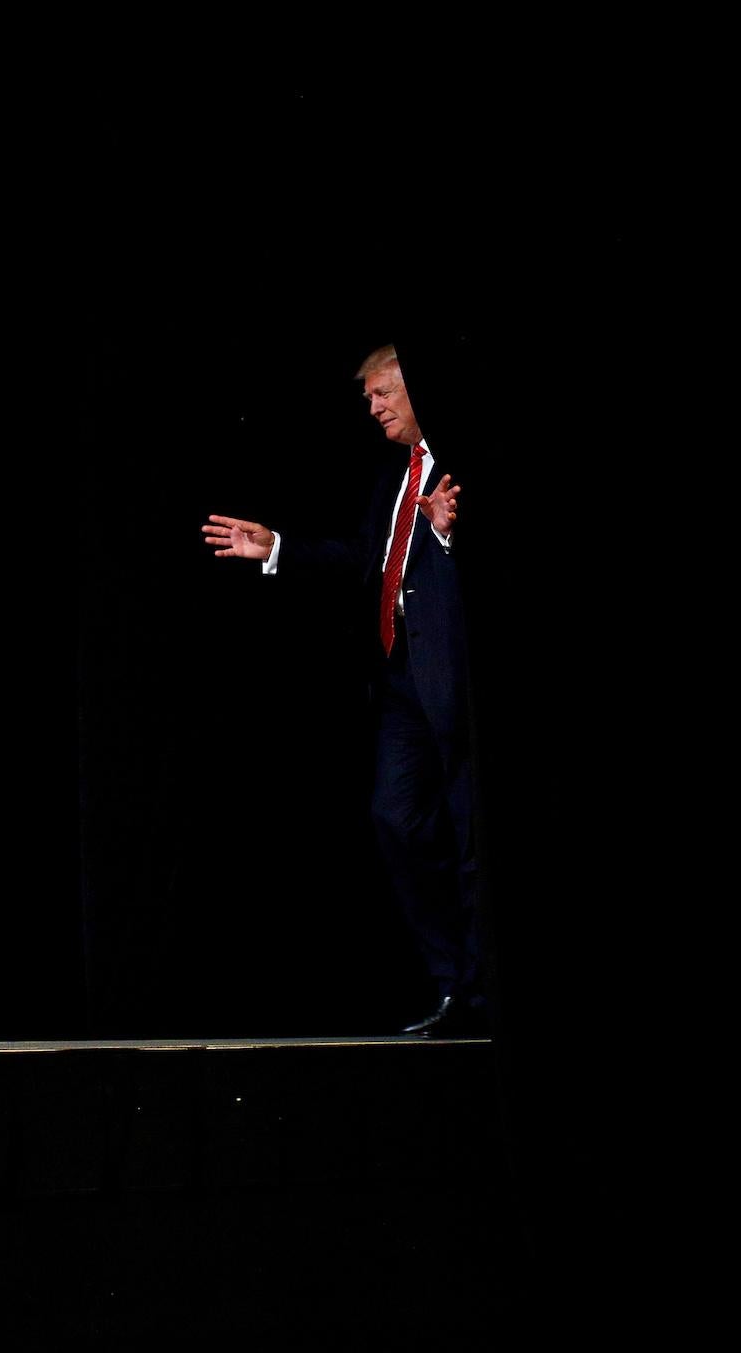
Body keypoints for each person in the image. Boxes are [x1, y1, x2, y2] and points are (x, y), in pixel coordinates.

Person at [201, 344, 484, 1037]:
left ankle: (480, 998)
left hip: (456, 685)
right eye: (368, 398)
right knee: (397, 819)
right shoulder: (394, 473)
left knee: (474, 839)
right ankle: (457, 986)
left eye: (383, 393)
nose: (374, 407)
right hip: (399, 685)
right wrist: (277, 549)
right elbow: (367, 561)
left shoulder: (455, 466)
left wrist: (450, 537)